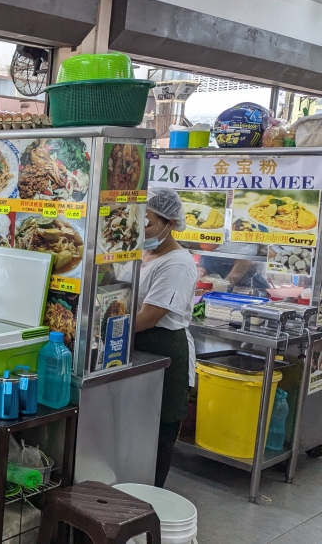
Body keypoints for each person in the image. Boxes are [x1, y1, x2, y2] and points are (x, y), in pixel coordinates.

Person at [134, 188, 198, 488]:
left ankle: (150, 503)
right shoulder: (137, 250)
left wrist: (104, 332)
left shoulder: (178, 263)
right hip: (136, 350)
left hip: (164, 355)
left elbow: (149, 316)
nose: (141, 227)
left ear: (170, 222)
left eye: (147, 221)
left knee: (158, 435)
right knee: (135, 431)